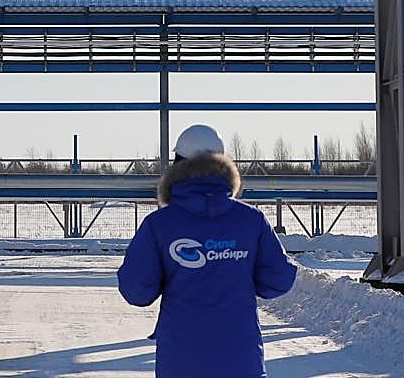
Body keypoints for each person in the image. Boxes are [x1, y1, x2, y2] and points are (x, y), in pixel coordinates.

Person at [117, 124, 297, 378]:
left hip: (180, 362)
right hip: (241, 361)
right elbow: (279, 279)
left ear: (177, 164)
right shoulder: (251, 220)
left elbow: (136, 290)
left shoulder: (159, 225)